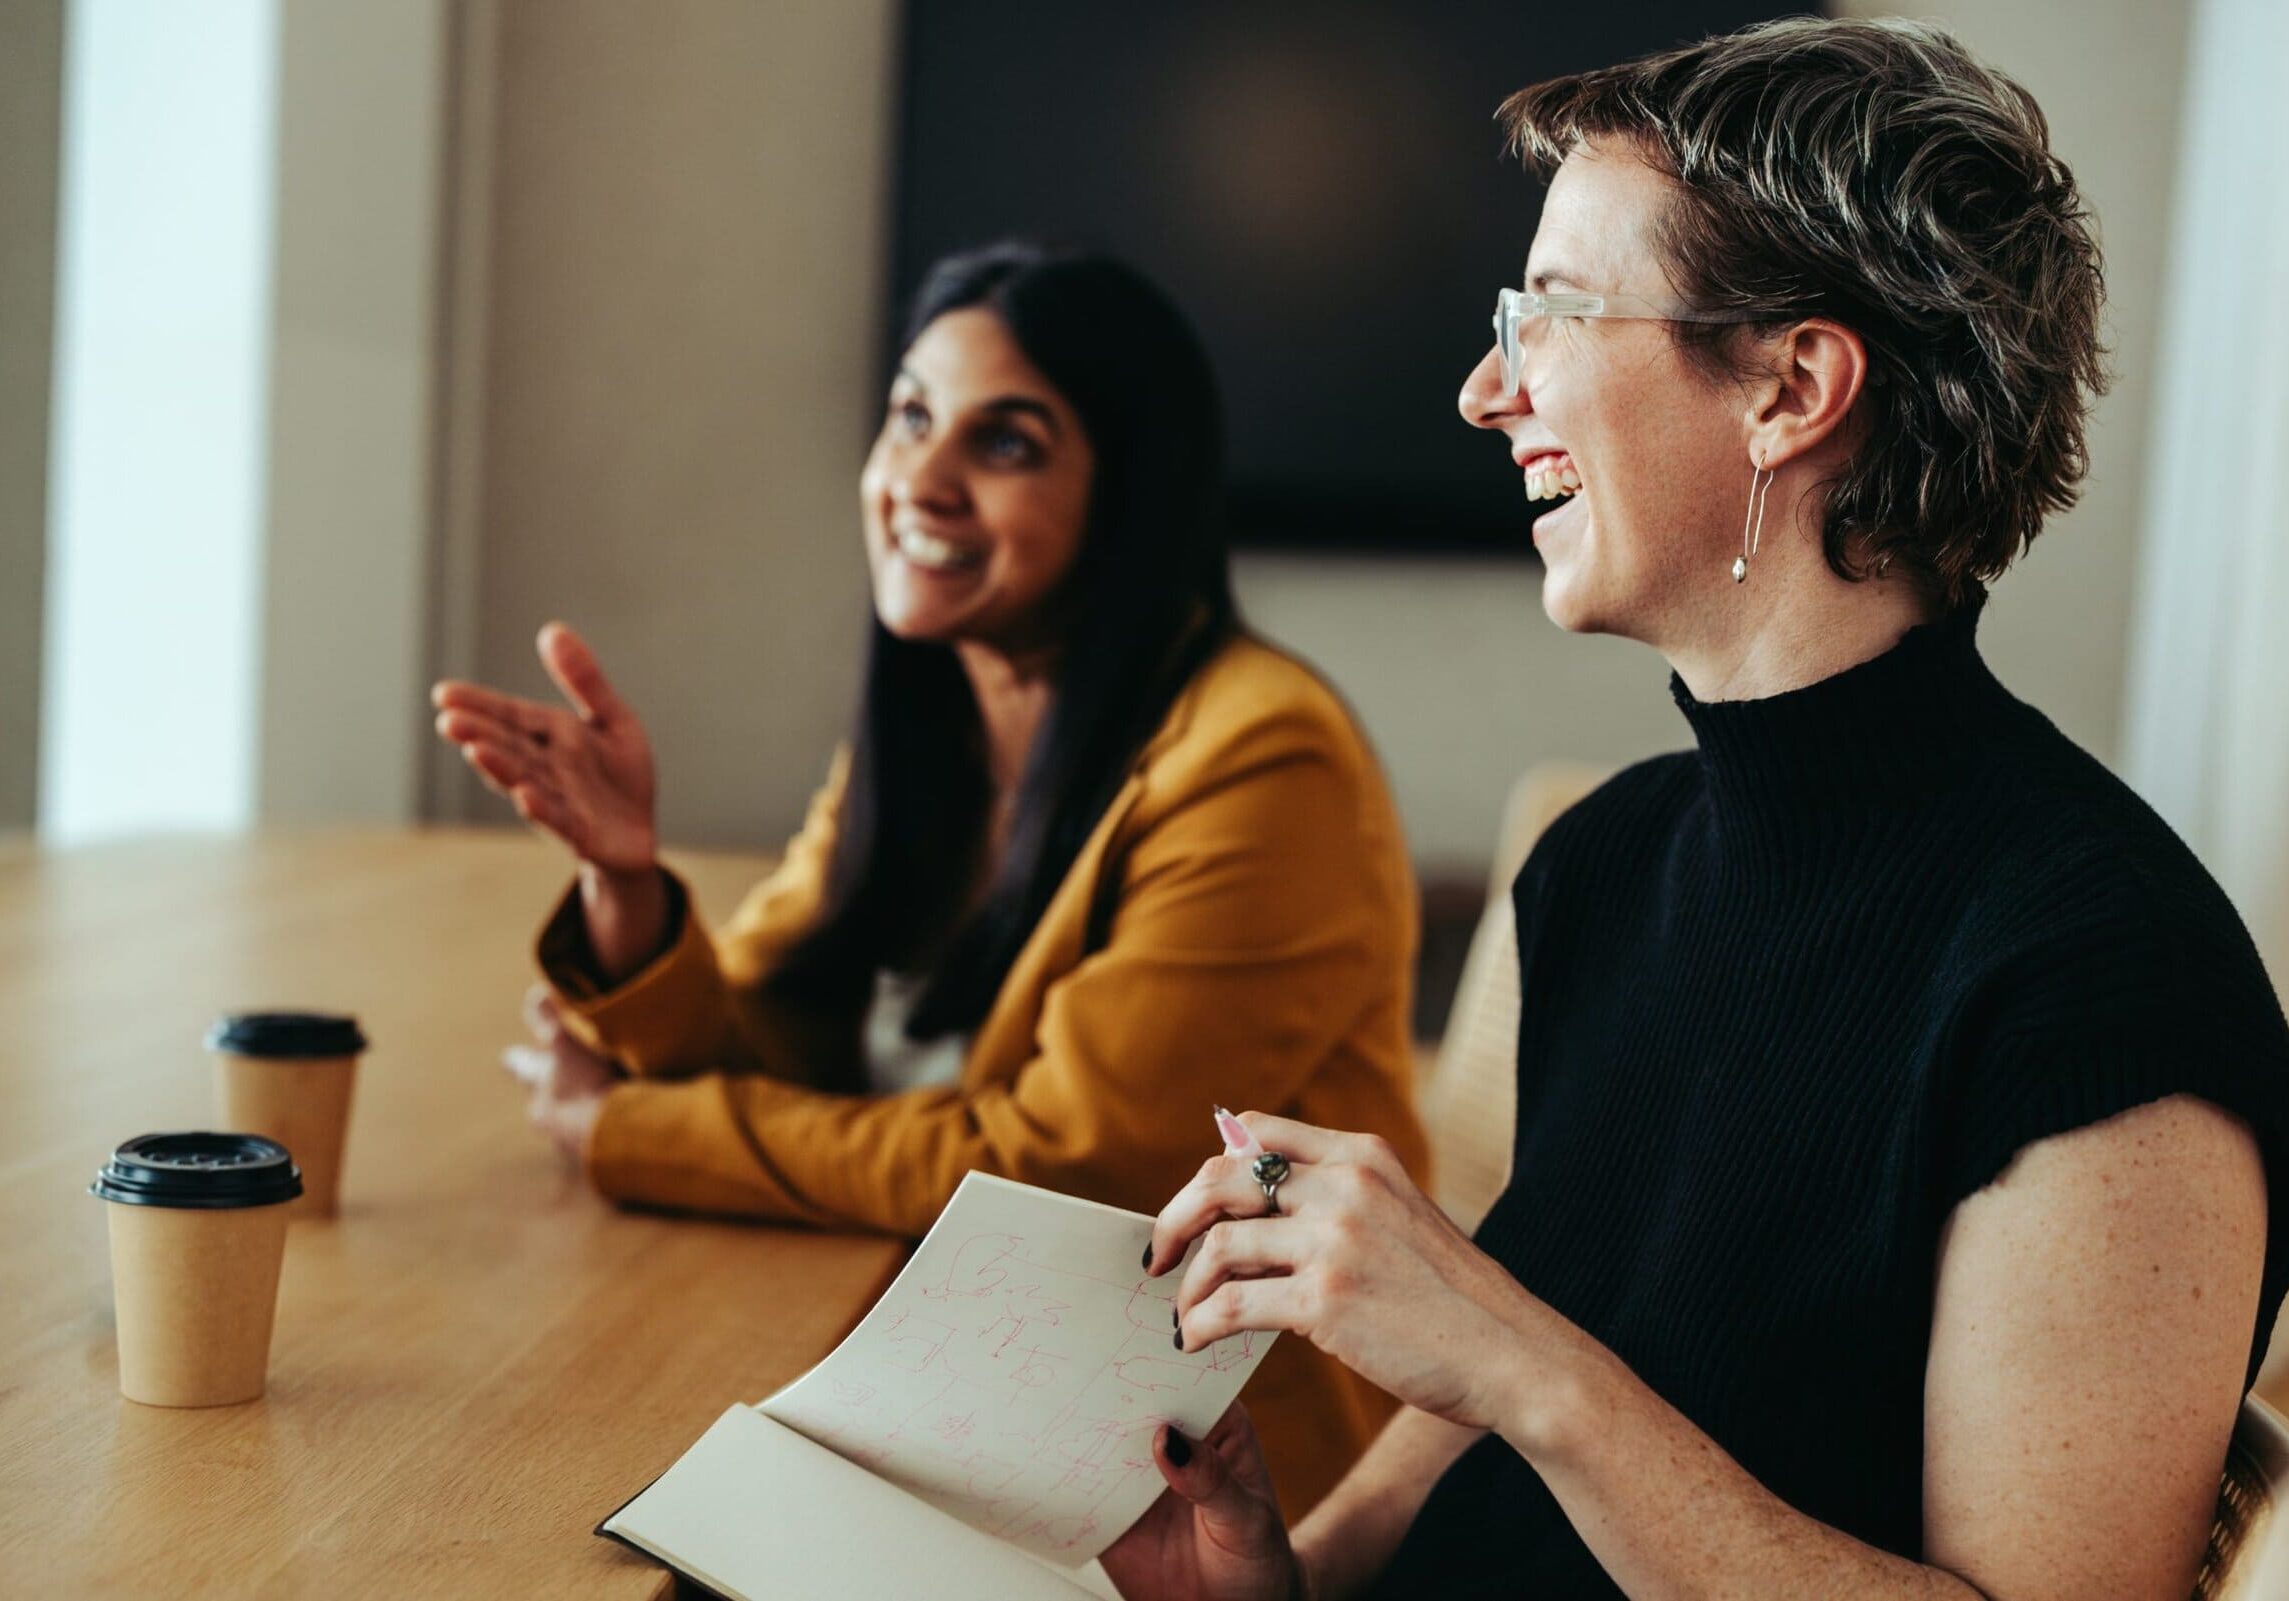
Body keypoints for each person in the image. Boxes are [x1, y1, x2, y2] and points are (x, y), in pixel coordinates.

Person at [1104, 19, 2289, 1599]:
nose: (1483, 389)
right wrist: (1293, 1576)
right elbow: (1486, 1402)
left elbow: (1526, 1366)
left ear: (1793, 386)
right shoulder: (1605, 864)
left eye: (1554, 315)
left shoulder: (2102, 985)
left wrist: (1516, 1353)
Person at [427, 242, 1426, 1517]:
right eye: (910, 416)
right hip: (945, 1366)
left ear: (1128, 489)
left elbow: (1054, 1163)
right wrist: (626, 884)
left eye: (1004, 442)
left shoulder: (1262, 757)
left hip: (1181, 1485)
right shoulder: (944, 719)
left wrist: (626, 1129)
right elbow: (776, 1038)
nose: (920, 480)